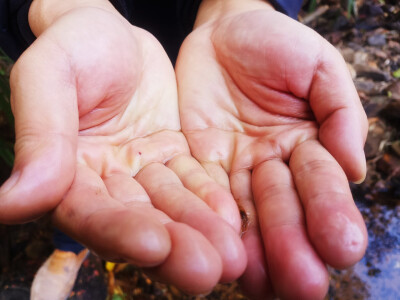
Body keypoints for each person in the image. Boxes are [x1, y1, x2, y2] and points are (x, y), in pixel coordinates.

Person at [0, 0, 368, 299]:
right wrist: (63, 7)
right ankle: (70, 247)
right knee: (84, 171)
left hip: (219, 62)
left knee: (97, 179)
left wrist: (239, 7)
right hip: (108, 78)